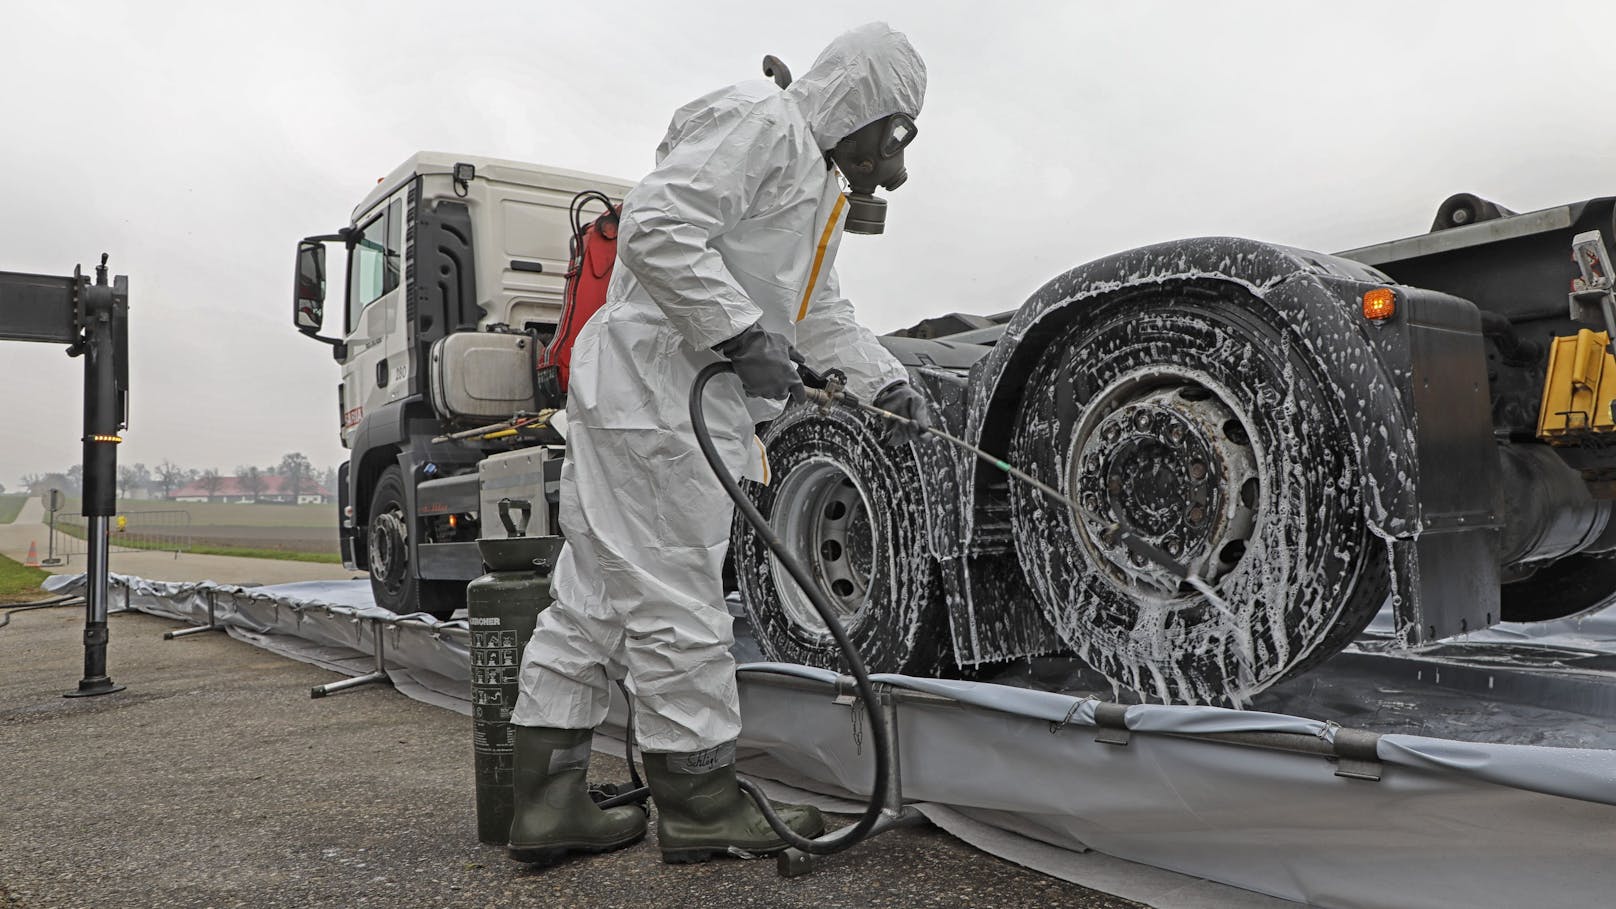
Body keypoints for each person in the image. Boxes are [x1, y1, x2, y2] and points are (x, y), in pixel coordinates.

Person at [505, 22, 931, 866]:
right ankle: (700, 800)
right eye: (894, 135)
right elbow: (657, 226)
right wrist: (738, 335)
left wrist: (885, 383)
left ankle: (545, 802)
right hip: (659, 396)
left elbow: (814, 313)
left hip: (640, 397)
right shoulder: (767, 126)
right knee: (679, 595)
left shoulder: (816, 187)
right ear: (866, 107)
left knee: (592, 597)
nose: (896, 161)